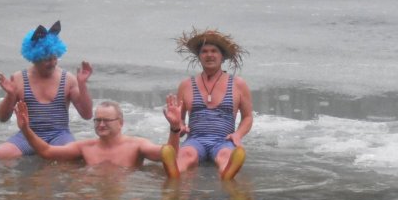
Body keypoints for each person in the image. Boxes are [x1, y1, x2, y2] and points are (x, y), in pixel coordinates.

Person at [0, 20, 94, 159]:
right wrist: (10, 95)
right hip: (28, 134)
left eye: (54, 58)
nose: (52, 63)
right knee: (2, 153)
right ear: (34, 57)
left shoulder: (68, 79)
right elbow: (2, 118)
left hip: (59, 135)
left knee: (72, 156)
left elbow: (87, 114)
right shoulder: (19, 78)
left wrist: (82, 84)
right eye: (47, 59)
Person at [14, 97, 182, 176]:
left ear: (121, 122)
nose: (101, 124)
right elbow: (47, 151)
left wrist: (174, 128)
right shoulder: (85, 147)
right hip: (94, 197)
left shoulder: (137, 145)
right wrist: (26, 129)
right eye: (98, 120)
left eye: (106, 120)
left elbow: (168, 154)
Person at [172, 28, 253, 180]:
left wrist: (238, 135)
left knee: (225, 155)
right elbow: (179, 117)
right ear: (199, 57)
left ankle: (227, 173)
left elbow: (248, 117)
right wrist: (181, 125)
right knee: (186, 154)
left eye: (214, 51)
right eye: (204, 51)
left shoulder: (238, 84)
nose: (209, 55)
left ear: (222, 57)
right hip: (195, 138)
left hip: (224, 139)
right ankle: (174, 170)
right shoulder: (186, 85)